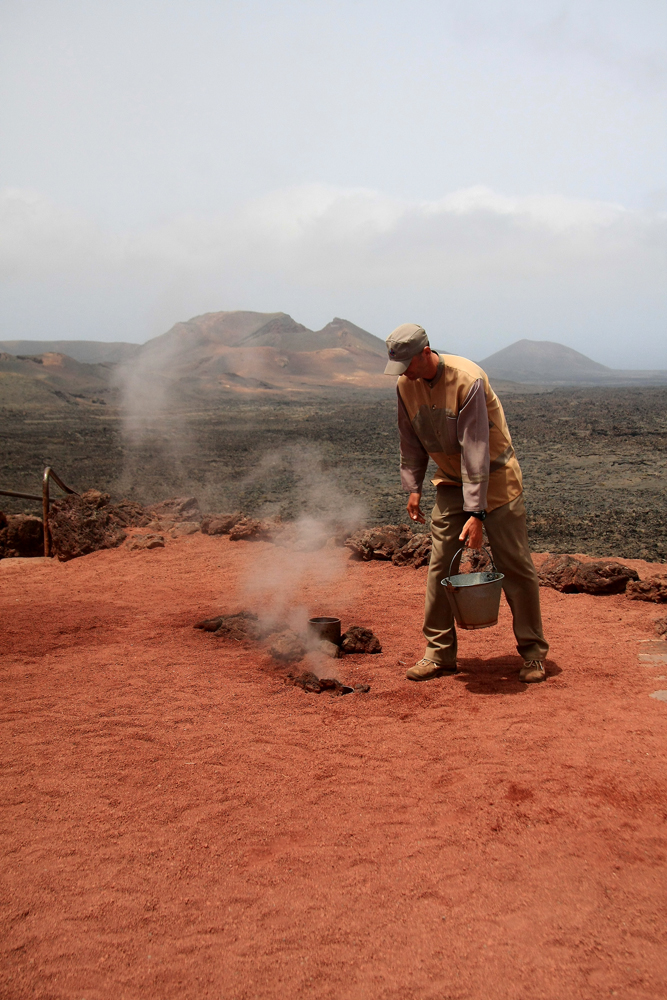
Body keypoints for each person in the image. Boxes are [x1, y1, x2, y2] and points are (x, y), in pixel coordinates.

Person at [384, 323, 548, 683]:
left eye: (408, 364)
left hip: (496, 479)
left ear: (425, 352)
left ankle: (534, 653)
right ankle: (438, 653)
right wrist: (413, 486)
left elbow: (475, 449)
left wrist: (476, 512)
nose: (405, 374)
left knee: (515, 565)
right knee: (440, 565)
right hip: (451, 481)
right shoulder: (404, 385)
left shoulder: (467, 379)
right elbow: (408, 437)